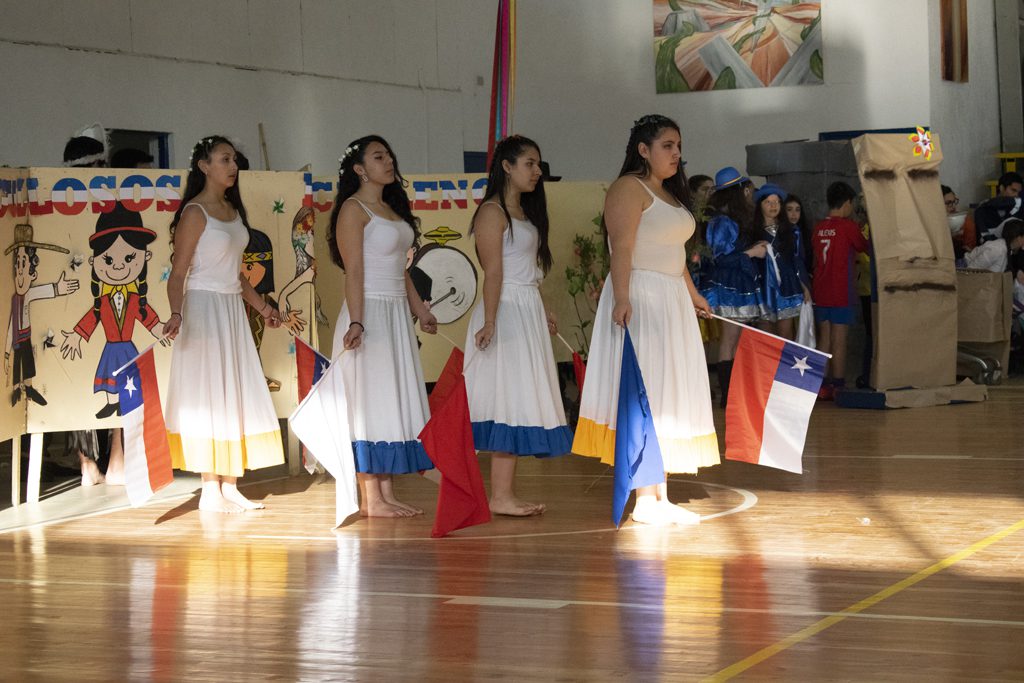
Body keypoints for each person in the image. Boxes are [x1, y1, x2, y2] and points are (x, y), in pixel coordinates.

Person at [573, 114, 719, 526]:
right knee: (647, 389)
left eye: (678, 146)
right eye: (667, 145)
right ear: (643, 149)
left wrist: (692, 294)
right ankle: (644, 498)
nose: (676, 153)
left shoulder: (668, 194)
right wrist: (622, 297)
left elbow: (675, 253)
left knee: (667, 389)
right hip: (642, 296)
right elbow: (622, 247)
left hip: (671, 299)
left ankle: (660, 495)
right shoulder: (628, 188)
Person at [162, 135, 285, 513]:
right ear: (204, 165)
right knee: (208, 393)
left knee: (234, 389)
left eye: (234, 160)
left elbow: (236, 275)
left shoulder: (233, 209)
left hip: (231, 309)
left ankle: (230, 485)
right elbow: (178, 273)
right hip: (203, 309)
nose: (233, 166)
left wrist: (263, 308)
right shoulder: (195, 212)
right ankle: (209, 488)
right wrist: (177, 313)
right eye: (224, 159)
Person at [328, 134, 438, 518]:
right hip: (369, 311)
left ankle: (386, 493)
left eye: (389, 154)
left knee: (389, 399)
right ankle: (371, 498)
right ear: (359, 168)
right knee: (369, 401)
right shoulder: (352, 210)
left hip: (395, 315)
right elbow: (354, 271)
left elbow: (400, 271)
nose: (388, 161)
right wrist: (358, 321)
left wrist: (420, 310)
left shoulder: (390, 209)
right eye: (378, 156)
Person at [464, 135, 572, 517]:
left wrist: (543, 309)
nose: (537, 171)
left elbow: (529, 272)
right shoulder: (491, 213)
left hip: (525, 309)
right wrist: (490, 321)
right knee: (505, 400)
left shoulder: (524, 212)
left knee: (518, 400)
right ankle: (499, 495)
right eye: (530, 163)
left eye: (538, 164)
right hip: (505, 311)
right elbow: (494, 272)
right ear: (507, 167)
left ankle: (503, 494)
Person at [699, 166, 766, 406]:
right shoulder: (722, 221)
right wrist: (751, 253)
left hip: (737, 282)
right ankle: (728, 395)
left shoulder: (731, 219)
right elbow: (720, 258)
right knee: (729, 339)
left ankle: (733, 393)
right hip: (728, 285)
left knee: (736, 339)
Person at [812, 181, 869, 400]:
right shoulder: (848, 227)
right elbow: (865, 247)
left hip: (820, 290)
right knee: (839, 339)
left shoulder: (818, 227)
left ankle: (821, 385)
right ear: (847, 203)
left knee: (823, 338)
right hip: (841, 291)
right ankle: (838, 384)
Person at [753, 184, 808, 339]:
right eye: (768, 202)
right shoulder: (752, 232)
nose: (773, 206)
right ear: (760, 205)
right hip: (763, 287)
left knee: (786, 335)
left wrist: (804, 286)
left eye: (777, 202)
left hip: (787, 286)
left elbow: (794, 262)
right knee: (766, 336)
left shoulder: (790, 230)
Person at [974, 172, 1024, 245]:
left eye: (1018, 192)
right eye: (1013, 190)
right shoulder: (983, 210)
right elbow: (984, 240)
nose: (1016, 195)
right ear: (1002, 188)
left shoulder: (1018, 208)